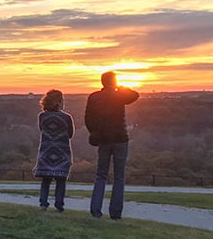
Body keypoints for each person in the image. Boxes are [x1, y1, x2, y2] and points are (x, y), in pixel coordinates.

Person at [85, 71, 139, 220]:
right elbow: (135, 95)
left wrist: (94, 132)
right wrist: (122, 88)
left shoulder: (94, 97)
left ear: (102, 82)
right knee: (119, 177)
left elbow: (88, 119)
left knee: (101, 175)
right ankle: (115, 213)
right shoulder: (119, 95)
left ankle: (95, 210)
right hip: (120, 138)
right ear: (113, 82)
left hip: (103, 139)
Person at [32, 89, 74, 212]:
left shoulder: (42, 116)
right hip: (62, 151)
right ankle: (59, 205)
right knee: (61, 181)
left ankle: (43, 203)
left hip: (46, 151)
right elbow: (70, 134)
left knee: (46, 180)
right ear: (60, 101)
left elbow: (42, 130)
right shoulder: (66, 117)